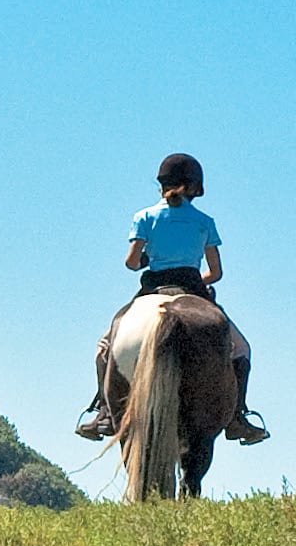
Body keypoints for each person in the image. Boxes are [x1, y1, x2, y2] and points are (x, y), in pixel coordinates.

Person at [76, 153, 268, 444]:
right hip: (192, 288)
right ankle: (238, 416)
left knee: (104, 347)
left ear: (161, 185)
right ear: (195, 188)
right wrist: (192, 276)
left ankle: (104, 412)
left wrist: (151, 259)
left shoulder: (145, 217)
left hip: (152, 289)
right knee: (242, 350)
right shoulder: (204, 221)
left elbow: (131, 262)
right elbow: (215, 273)